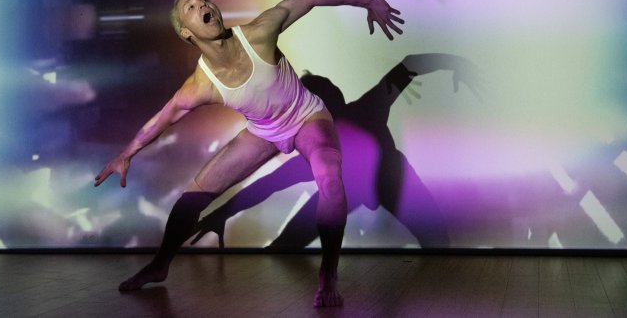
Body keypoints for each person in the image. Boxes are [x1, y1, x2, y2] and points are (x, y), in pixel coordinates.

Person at [94, 0, 404, 307]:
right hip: (264, 131)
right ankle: (160, 265)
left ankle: (328, 273)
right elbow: (162, 119)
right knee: (192, 198)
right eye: (191, 6)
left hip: (307, 117)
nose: (203, 3)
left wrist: (370, 0)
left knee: (329, 177)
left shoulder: (259, 33)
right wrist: (126, 154)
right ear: (187, 32)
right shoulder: (201, 85)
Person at [190, 54, 483, 250]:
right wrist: (222, 214)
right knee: (284, 246)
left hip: (390, 179)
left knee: (438, 241)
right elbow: (269, 184)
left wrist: (459, 64)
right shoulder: (325, 144)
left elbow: (408, 65)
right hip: (356, 187)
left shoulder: (364, 111)